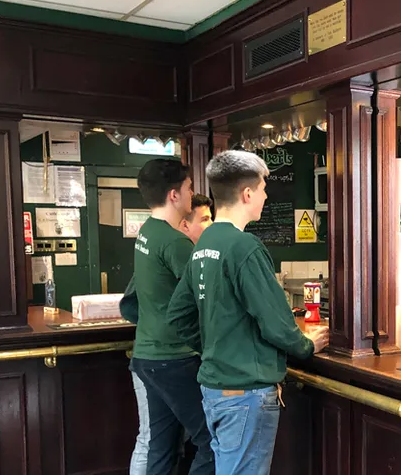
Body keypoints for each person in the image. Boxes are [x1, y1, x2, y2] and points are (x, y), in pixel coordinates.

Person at [168, 150, 329, 475]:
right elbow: (277, 323)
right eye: (264, 188)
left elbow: (178, 317)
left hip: (214, 388)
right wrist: (307, 345)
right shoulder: (244, 247)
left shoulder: (205, 242)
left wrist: (217, 346)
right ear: (247, 193)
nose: (267, 196)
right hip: (246, 394)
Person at [130, 159, 214, 475]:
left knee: (161, 447)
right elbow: (204, 297)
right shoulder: (174, 241)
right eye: (190, 187)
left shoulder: (147, 232)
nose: (193, 193)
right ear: (174, 194)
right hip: (175, 357)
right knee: (211, 440)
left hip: (148, 356)